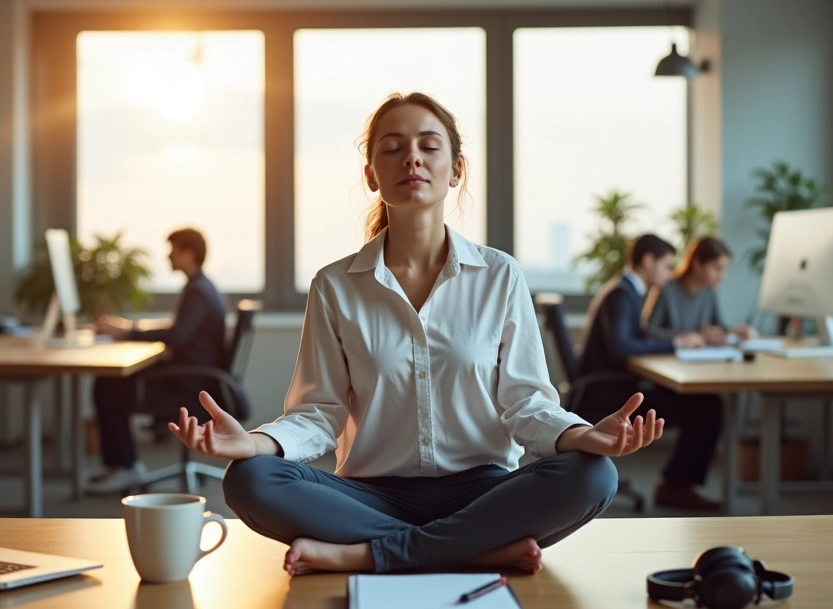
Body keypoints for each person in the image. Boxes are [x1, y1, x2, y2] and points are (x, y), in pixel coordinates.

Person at [167, 92, 667, 576]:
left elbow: (526, 404)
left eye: (429, 146)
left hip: (483, 490)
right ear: (371, 175)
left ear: (456, 170)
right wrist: (254, 444)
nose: (412, 159)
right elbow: (318, 413)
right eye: (392, 148)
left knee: (594, 473)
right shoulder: (335, 285)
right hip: (368, 492)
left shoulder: (500, 276)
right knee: (251, 480)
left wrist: (584, 434)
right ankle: (471, 550)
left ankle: (368, 554)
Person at [576, 234, 723, 511]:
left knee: (704, 403)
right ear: (648, 261)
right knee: (706, 406)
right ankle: (675, 486)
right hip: (611, 396)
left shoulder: (624, 290)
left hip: (615, 387)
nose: (670, 274)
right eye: (666, 266)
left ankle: (676, 483)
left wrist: (680, 338)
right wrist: (677, 342)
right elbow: (622, 347)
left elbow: (639, 336)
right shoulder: (622, 294)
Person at [86, 228, 227, 494]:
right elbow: (181, 330)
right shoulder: (200, 286)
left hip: (190, 386)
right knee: (110, 383)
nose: (167, 257)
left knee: (109, 387)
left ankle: (125, 468)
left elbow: (177, 335)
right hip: (193, 378)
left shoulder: (198, 291)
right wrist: (131, 328)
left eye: (172, 250)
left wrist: (126, 331)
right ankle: (120, 465)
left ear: (188, 253)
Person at [646, 236, 757, 345]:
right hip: (666, 359)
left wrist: (738, 332)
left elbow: (720, 328)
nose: (722, 276)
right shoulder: (667, 289)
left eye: (724, 269)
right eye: (717, 268)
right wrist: (697, 336)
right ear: (697, 264)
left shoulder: (709, 292)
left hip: (697, 358)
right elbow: (649, 332)